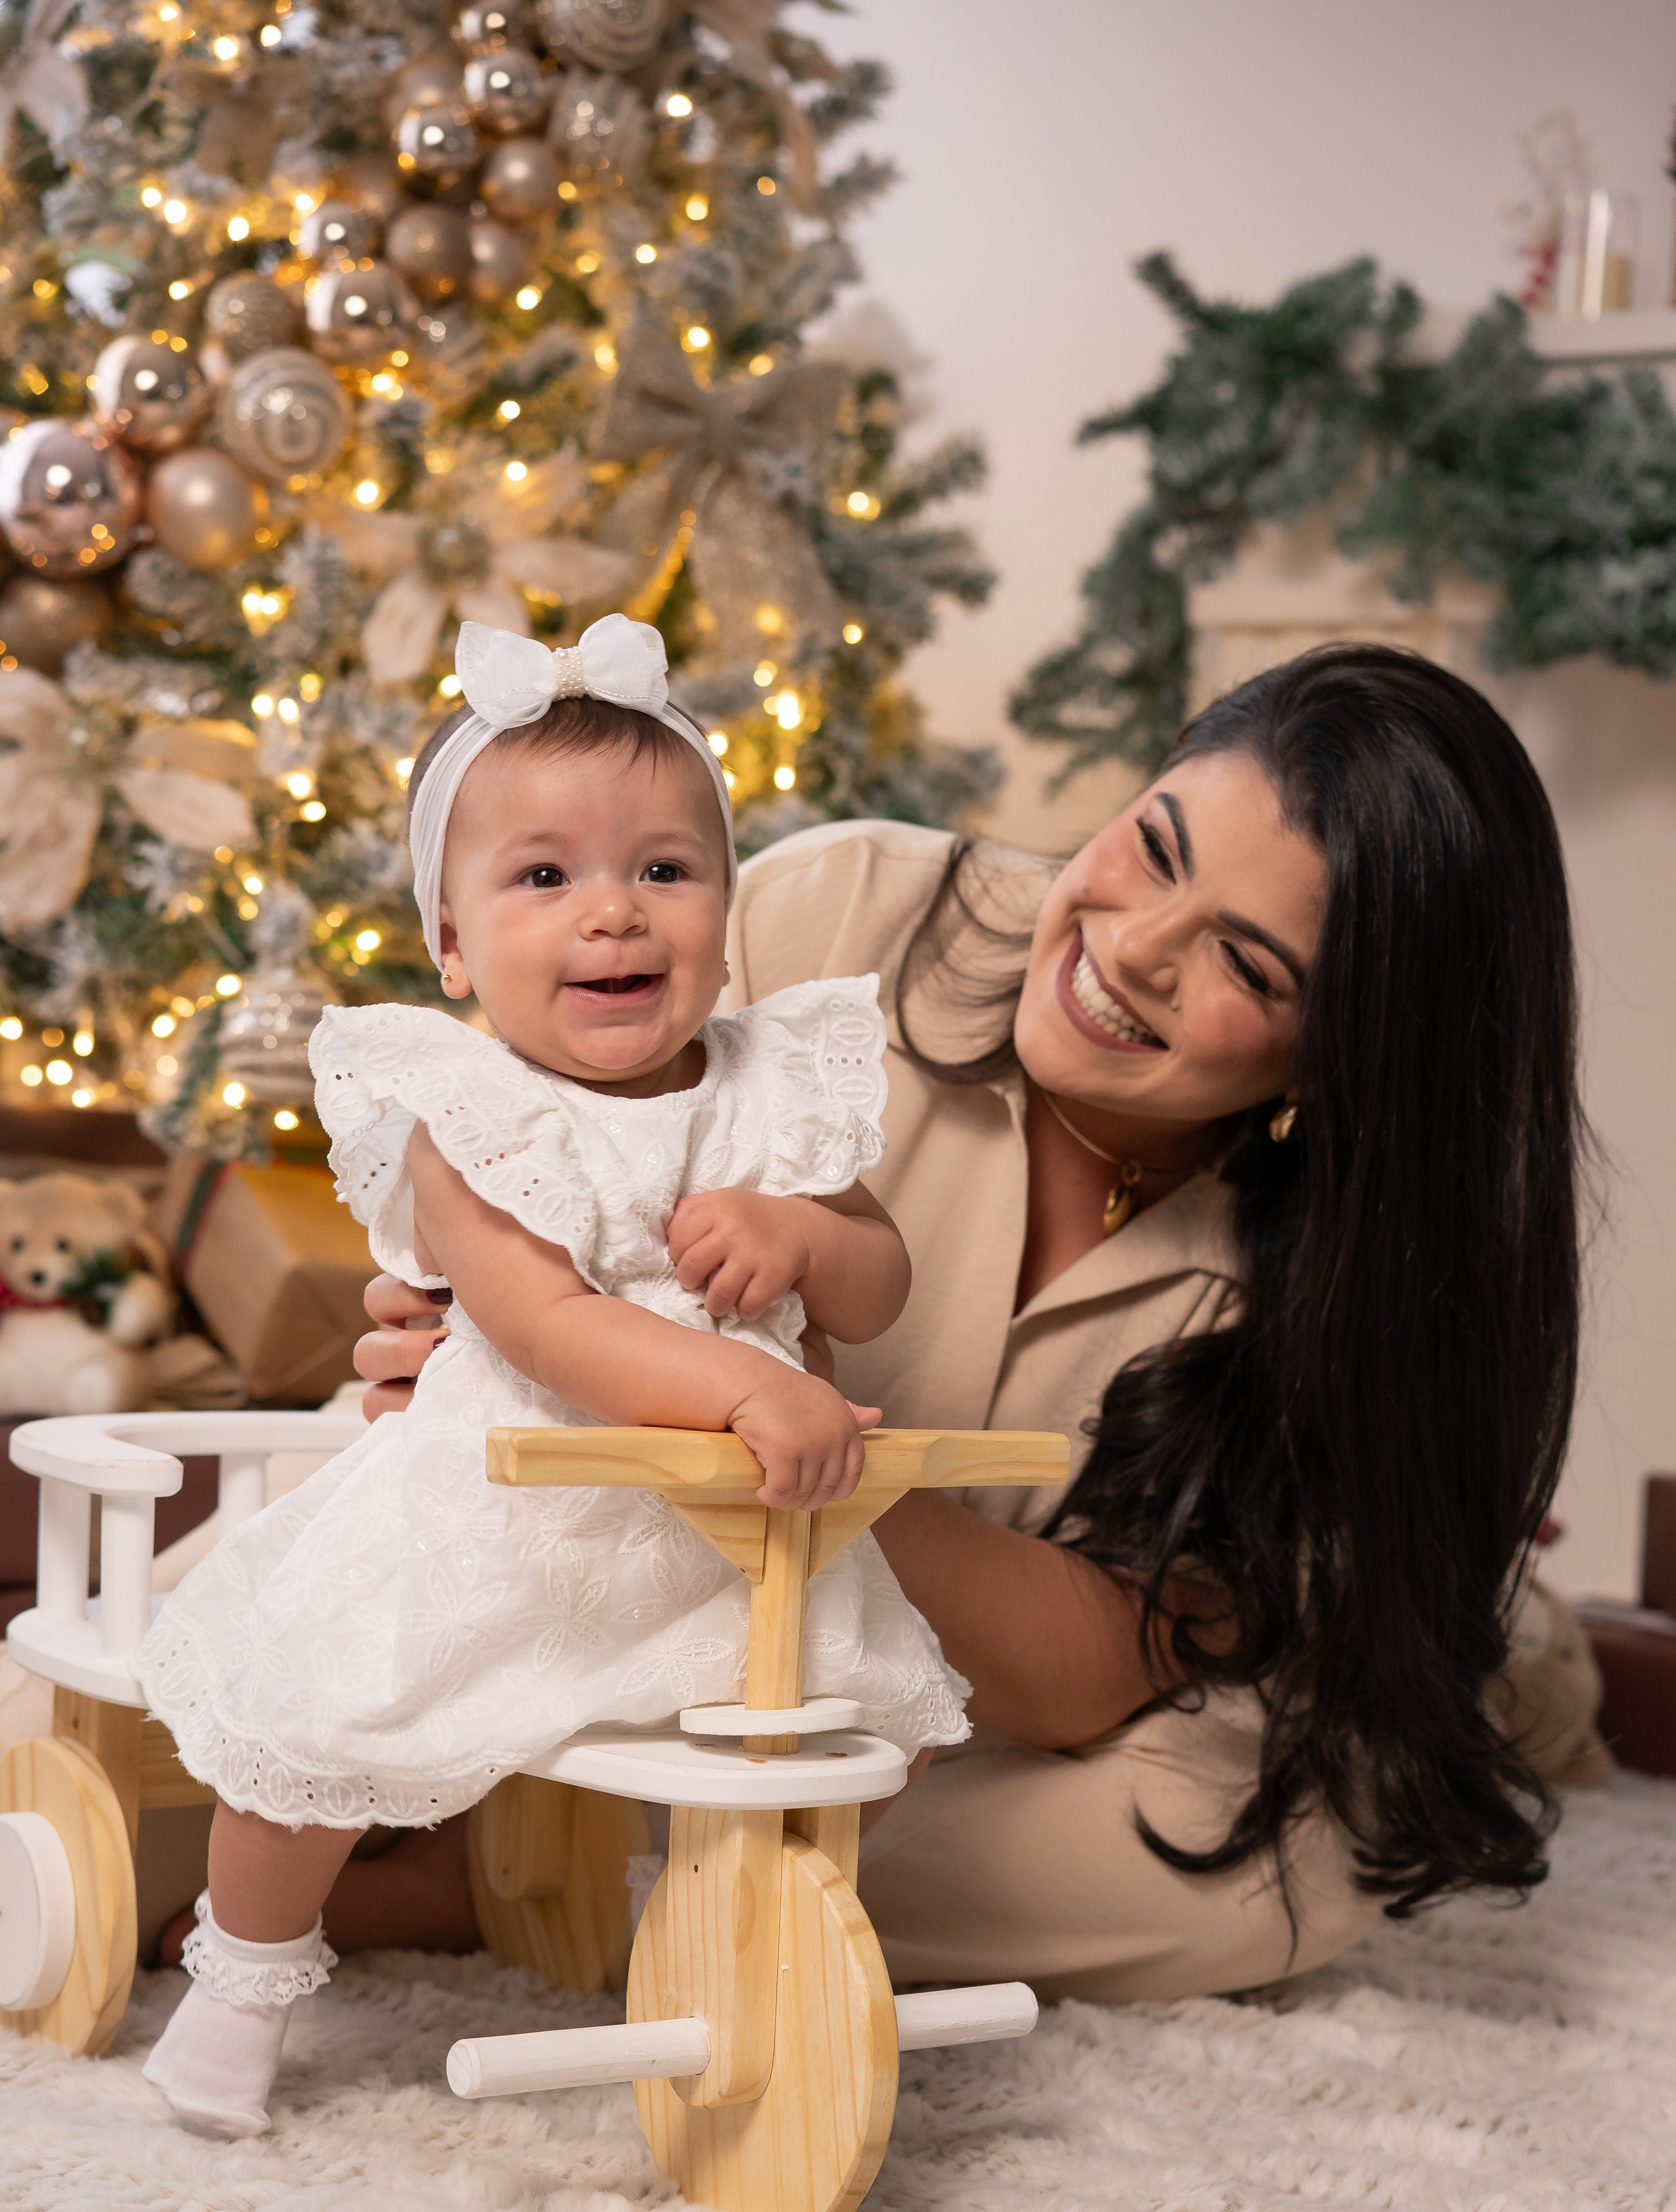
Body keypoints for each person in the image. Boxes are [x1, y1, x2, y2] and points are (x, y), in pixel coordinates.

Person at [350, 644, 1609, 2004]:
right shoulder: (843, 913)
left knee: (1278, 1854)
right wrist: (473, 1321)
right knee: (313, 1565)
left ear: (1348, 1050)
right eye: (1153, 847)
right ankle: (622, 1872)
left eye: (1242, 964)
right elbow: (538, 1126)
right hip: (621, 1582)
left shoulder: (1340, 1281)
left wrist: (785, 1446)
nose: (1127, 952)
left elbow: (1097, 1676)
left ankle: (602, 1895)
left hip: (982, 1720)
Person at [139, 615, 969, 2138]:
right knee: (316, 1732)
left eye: (665, 870)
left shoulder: (771, 1084)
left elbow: (881, 1272)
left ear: (724, 912)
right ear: (451, 946)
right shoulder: (467, 1106)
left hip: (723, 1540)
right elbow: (548, 1325)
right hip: (501, 1512)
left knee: (852, 1744)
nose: (613, 915)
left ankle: (696, 1923)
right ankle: (242, 1977)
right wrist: (738, 1382)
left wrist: (799, 1233)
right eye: (542, 876)